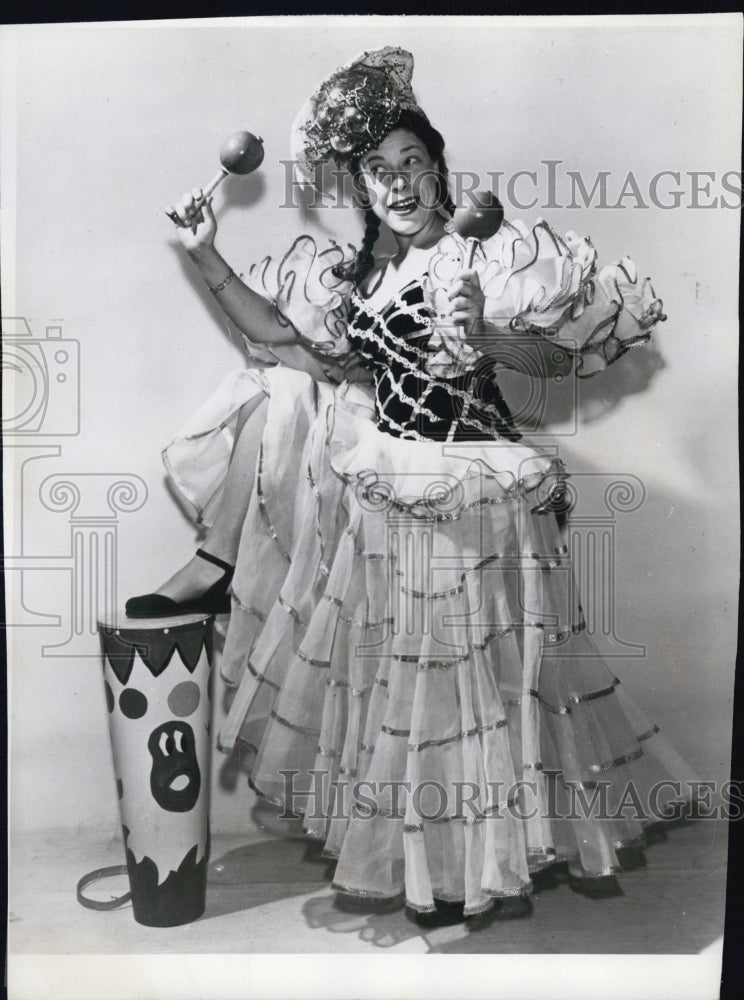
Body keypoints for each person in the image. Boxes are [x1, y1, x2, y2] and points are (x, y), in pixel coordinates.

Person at [127, 47, 693, 927]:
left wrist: (488, 335)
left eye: (412, 164)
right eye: (378, 170)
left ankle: (476, 874)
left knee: (482, 690)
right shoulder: (361, 278)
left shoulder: (479, 253)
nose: (397, 184)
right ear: (361, 185)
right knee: (413, 690)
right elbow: (295, 345)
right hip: (390, 492)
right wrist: (206, 255)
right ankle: (435, 870)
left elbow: (558, 355)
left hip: (474, 494)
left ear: (438, 170)